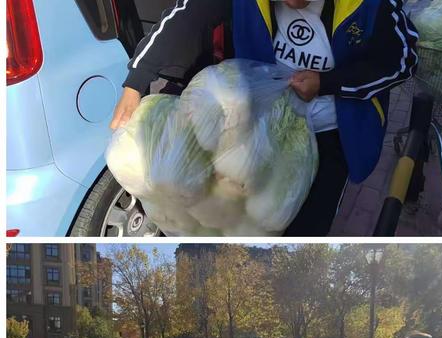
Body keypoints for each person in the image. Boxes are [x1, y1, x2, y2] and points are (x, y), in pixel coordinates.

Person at [111, 0, 418, 236]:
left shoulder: (372, 6)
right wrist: (136, 81)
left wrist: (328, 83)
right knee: (248, 216)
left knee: (308, 228)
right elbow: (187, 15)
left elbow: (402, 59)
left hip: (331, 132)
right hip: (257, 125)